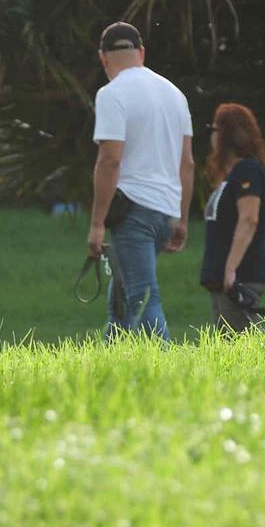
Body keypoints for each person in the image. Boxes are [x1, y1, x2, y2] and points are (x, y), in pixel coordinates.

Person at [87, 21, 193, 341]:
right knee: (123, 293)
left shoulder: (111, 94)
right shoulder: (175, 94)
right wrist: (182, 220)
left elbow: (110, 160)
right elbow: (187, 163)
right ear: (142, 53)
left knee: (142, 295)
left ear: (103, 58)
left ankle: (167, 368)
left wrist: (96, 224)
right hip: (166, 211)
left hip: (134, 211)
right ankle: (111, 357)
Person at [200, 103, 265, 331]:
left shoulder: (248, 171)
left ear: (227, 135)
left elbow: (249, 219)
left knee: (243, 342)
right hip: (223, 277)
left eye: (213, 130)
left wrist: (231, 269)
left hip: (240, 274)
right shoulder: (231, 176)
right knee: (228, 344)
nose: (211, 137)